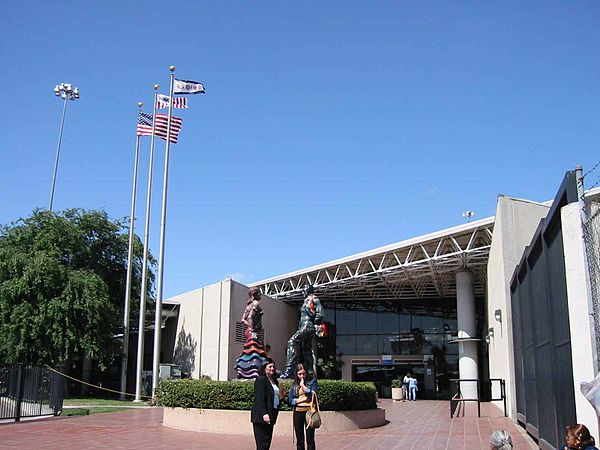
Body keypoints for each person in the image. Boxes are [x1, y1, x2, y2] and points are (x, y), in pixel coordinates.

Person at [281, 284, 324, 380]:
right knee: (307, 350)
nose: (302, 292)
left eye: (304, 290)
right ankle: (310, 374)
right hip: (307, 326)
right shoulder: (307, 300)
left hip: (307, 326)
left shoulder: (314, 299)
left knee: (292, 341)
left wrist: (313, 323)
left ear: (309, 290)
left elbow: (320, 314)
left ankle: (289, 370)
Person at [251, 359, 284, 450]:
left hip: (272, 413)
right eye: (269, 366)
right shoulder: (261, 379)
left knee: (267, 444)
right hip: (261, 417)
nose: (272, 368)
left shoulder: (274, 380)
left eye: (273, 366)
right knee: (262, 445)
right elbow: (259, 398)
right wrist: (264, 413)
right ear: (264, 368)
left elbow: (277, 396)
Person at [288, 363, 318, 450]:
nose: (302, 376)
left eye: (303, 373)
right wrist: (300, 400)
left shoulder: (312, 381)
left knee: (310, 438)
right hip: (298, 412)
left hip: (309, 411)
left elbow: (313, 395)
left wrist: (303, 386)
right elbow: (290, 400)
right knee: (300, 439)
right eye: (299, 374)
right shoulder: (294, 384)